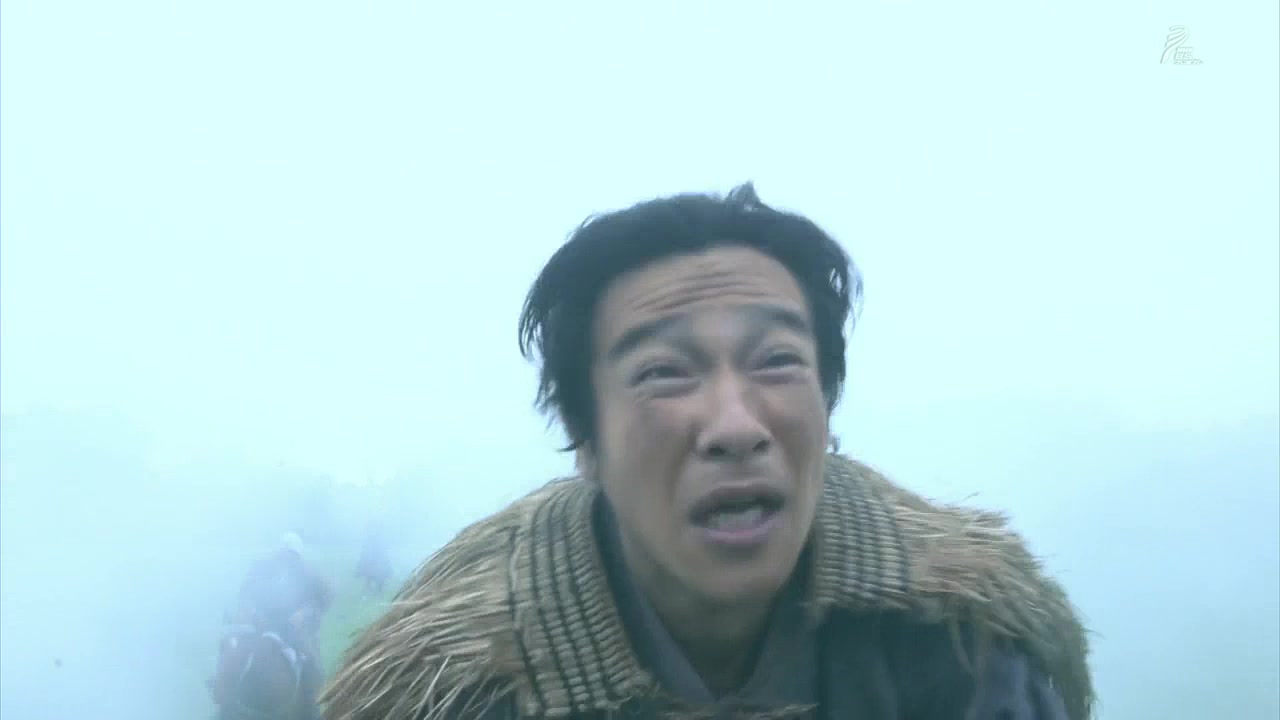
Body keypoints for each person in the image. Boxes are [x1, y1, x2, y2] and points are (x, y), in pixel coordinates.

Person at [320, 185, 1094, 720]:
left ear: (827, 405)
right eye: (664, 372)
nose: (735, 425)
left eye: (777, 361)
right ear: (585, 441)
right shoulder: (465, 688)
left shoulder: (953, 640)